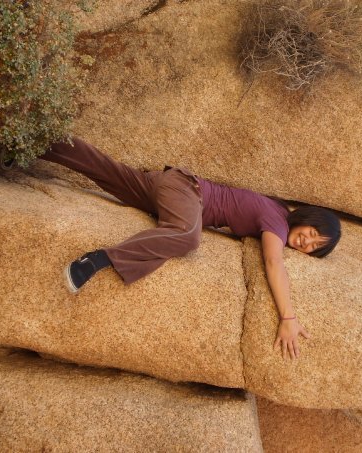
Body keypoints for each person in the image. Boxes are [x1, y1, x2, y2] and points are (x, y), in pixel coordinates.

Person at [39, 137, 341, 361]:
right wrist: (288, 318)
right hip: (186, 193)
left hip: (171, 189)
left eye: (314, 247)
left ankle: (43, 140)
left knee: (106, 170)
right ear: (307, 219)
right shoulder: (279, 222)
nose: (306, 243)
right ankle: (99, 259)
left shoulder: (275, 213)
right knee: (187, 237)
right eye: (312, 234)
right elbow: (274, 263)